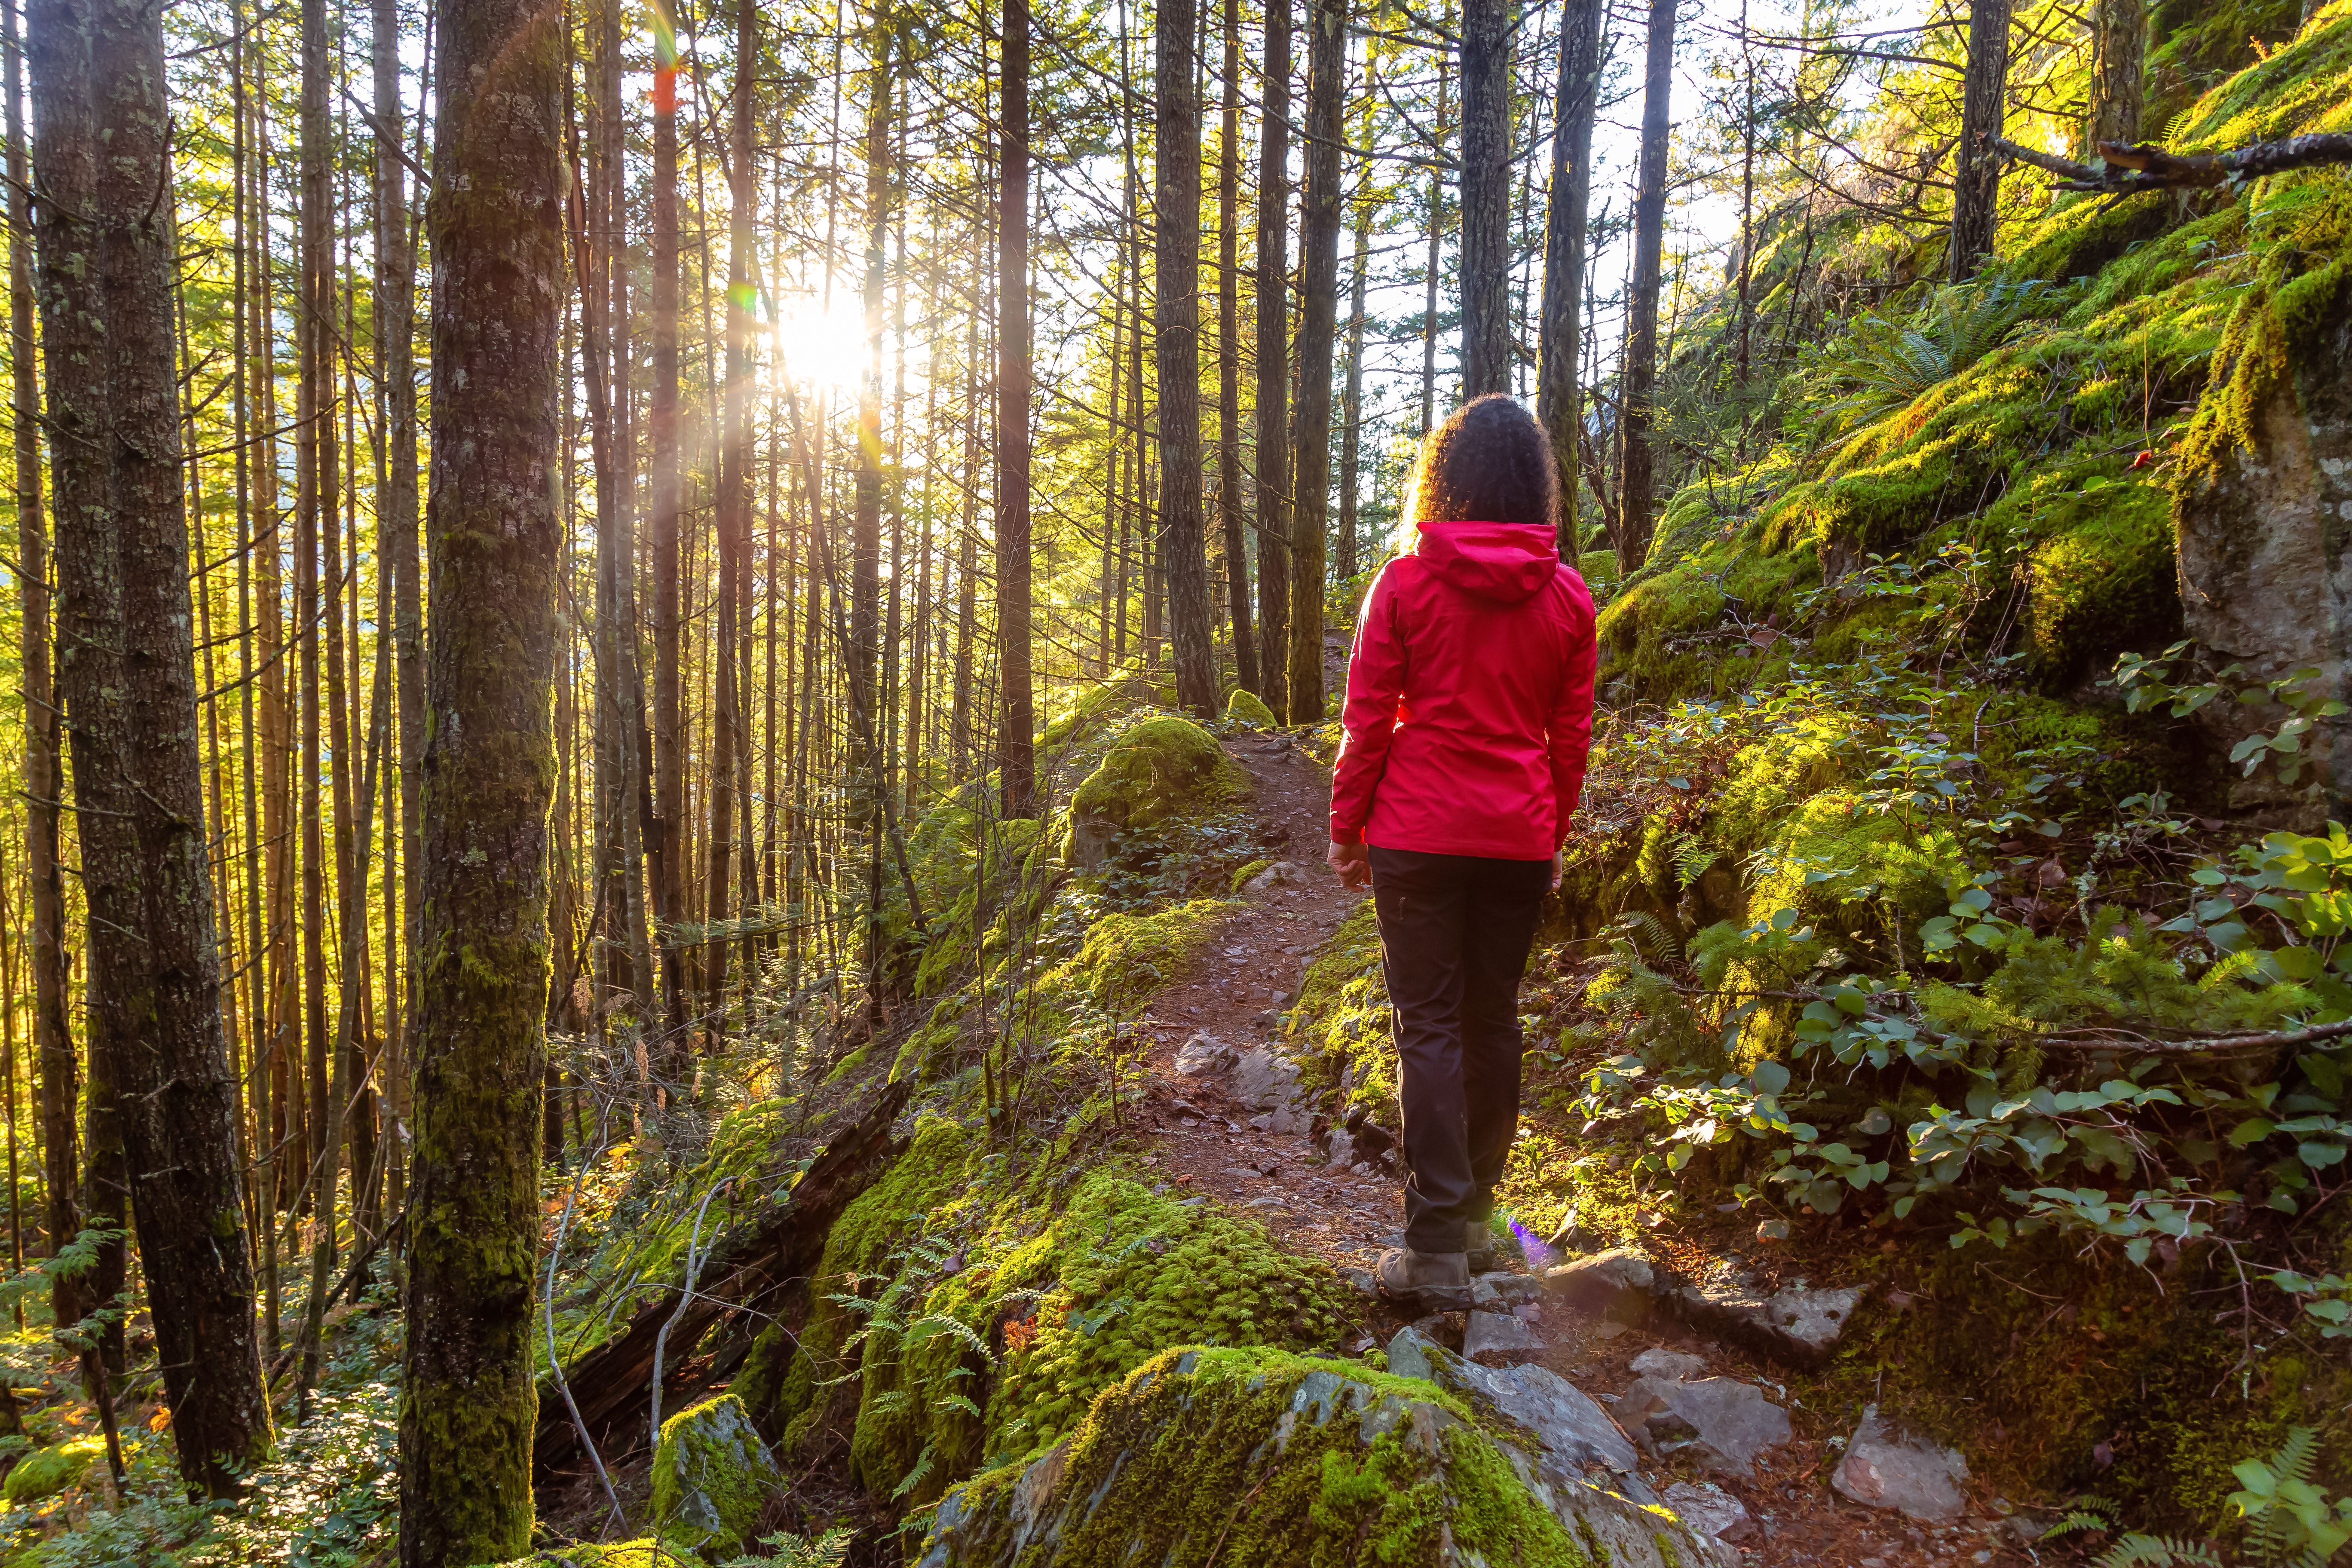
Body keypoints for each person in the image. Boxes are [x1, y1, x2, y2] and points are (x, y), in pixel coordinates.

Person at [1326, 394, 1597, 1312]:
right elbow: (1571, 736)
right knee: (1492, 1022)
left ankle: (1436, 1242)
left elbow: (1367, 722)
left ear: (1445, 480)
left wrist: (1346, 826)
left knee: (1431, 1027)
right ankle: (1478, 1229)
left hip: (1416, 833)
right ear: (1535, 485)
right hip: (1515, 837)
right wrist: (1552, 832)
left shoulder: (1403, 585)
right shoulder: (1568, 597)